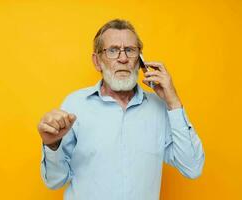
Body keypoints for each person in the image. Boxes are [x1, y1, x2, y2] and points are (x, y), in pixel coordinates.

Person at [37, 19, 205, 200]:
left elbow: (192, 167)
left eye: (130, 50)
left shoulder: (159, 108)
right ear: (97, 61)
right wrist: (52, 146)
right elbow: (55, 181)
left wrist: (173, 102)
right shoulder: (75, 105)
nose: (123, 58)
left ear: (140, 60)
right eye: (113, 50)